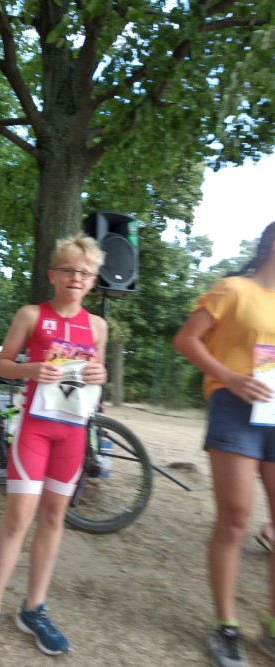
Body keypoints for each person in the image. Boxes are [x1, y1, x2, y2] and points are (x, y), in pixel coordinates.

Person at [0, 234, 107, 666]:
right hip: (34, 429)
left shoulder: (98, 326)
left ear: (93, 280)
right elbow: (1, 364)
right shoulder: (30, 315)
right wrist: (31, 368)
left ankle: (33, 608)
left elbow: (95, 372)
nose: (76, 278)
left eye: (85, 272)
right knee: (18, 519)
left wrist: (99, 374)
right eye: (69, 270)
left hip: (73, 432)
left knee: (54, 517)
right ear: (53, 274)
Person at [173, 221, 275, 667]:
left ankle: (273, 629)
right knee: (235, 518)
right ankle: (225, 627)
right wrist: (230, 378)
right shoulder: (233, 289)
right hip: (235, 407)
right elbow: (186, 339)